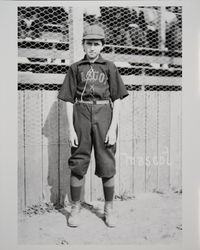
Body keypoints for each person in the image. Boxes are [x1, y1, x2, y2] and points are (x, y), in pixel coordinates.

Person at [57, 24, 129, 228]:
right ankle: (75, 207)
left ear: (102, 46)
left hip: (104, 113)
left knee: (107, 161)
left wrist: (113, 126)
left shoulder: (109, 67)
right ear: (82, 44)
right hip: (81, 114)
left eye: (96, 44)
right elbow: (69, 100)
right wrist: (71, 128)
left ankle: (109, 209)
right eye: (89, 43)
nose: (92, 48)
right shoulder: (75, 68)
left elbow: (118, 99)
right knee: (78, 161)